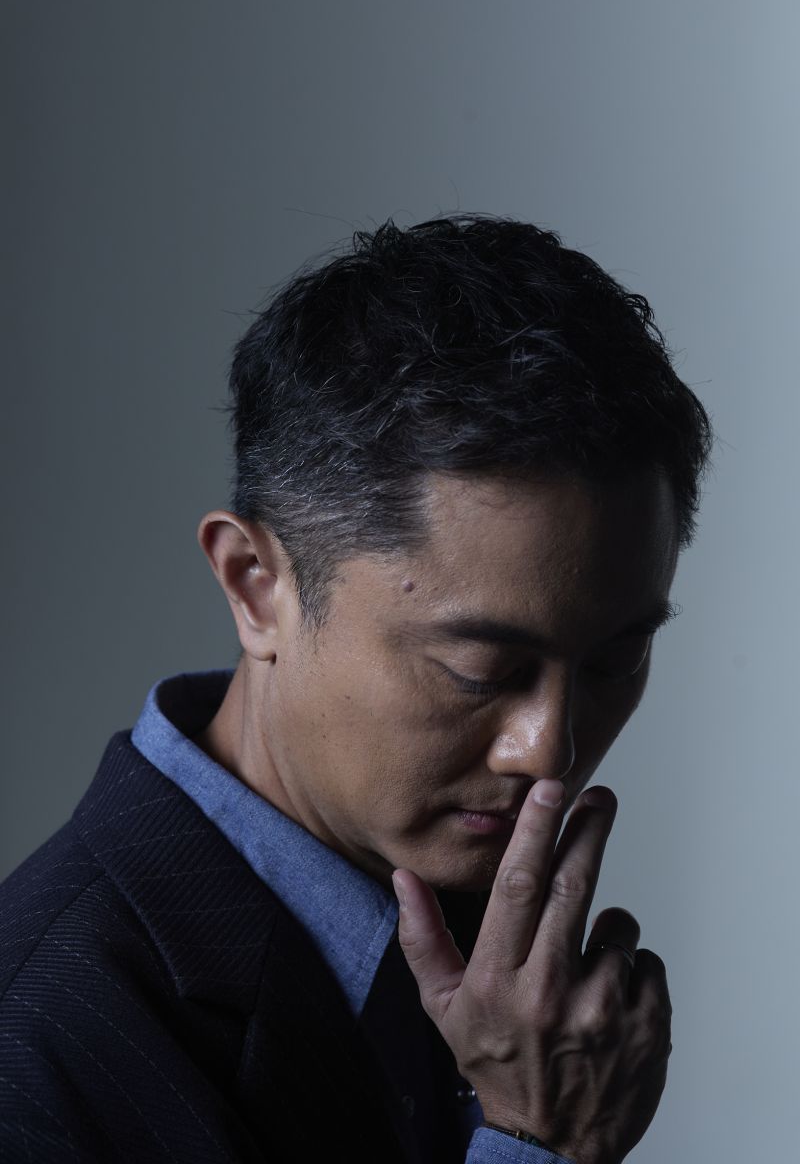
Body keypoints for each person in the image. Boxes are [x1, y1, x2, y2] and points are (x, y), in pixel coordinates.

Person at [0, 215, 711, 1163]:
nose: (549, 750)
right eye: (481, 670)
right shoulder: (37, 1048)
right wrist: (540, 1144)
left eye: (615, 661)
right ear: (256, 586)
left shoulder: (510, 968)